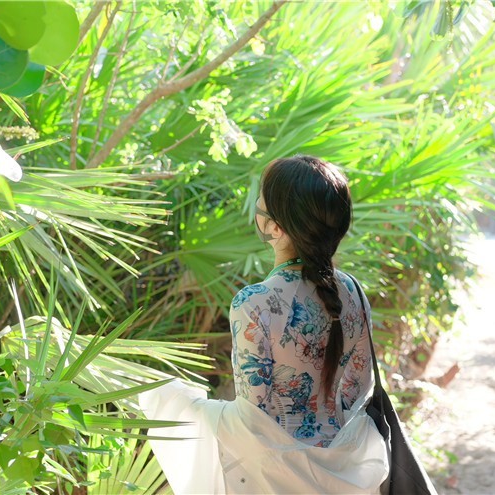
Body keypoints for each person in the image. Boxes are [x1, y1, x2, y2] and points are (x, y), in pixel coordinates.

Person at [139, 155, 389, 494]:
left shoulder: (254, 303)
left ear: (275, 226)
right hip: (347, 472)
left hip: (278, 479)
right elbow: (357, 390)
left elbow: (252, 421)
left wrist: (175, 400)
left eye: (261, 198)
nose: (256, 204)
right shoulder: (353, 291)